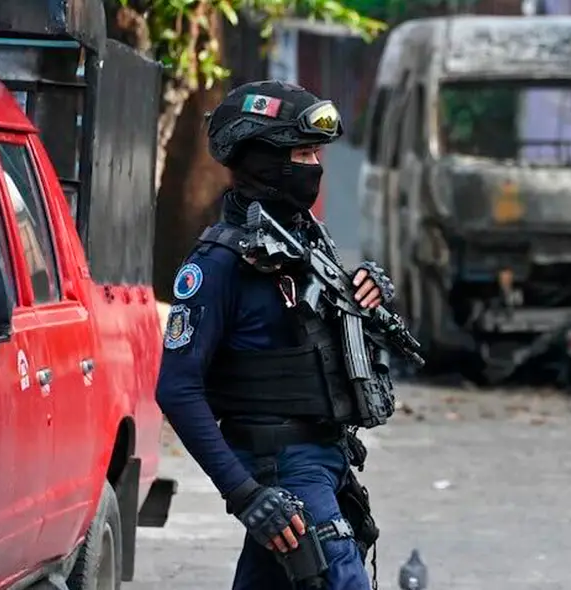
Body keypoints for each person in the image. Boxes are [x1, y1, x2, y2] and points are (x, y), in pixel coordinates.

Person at [155, 80, 394, 590]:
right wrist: (245, 493)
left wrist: (367, 292)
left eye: (316, 153)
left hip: (328, 459)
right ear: (264, 161)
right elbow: (177, 388)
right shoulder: (219, 264)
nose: (315, 166)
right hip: (284, 468)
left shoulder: (307, 241)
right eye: (302, 154)